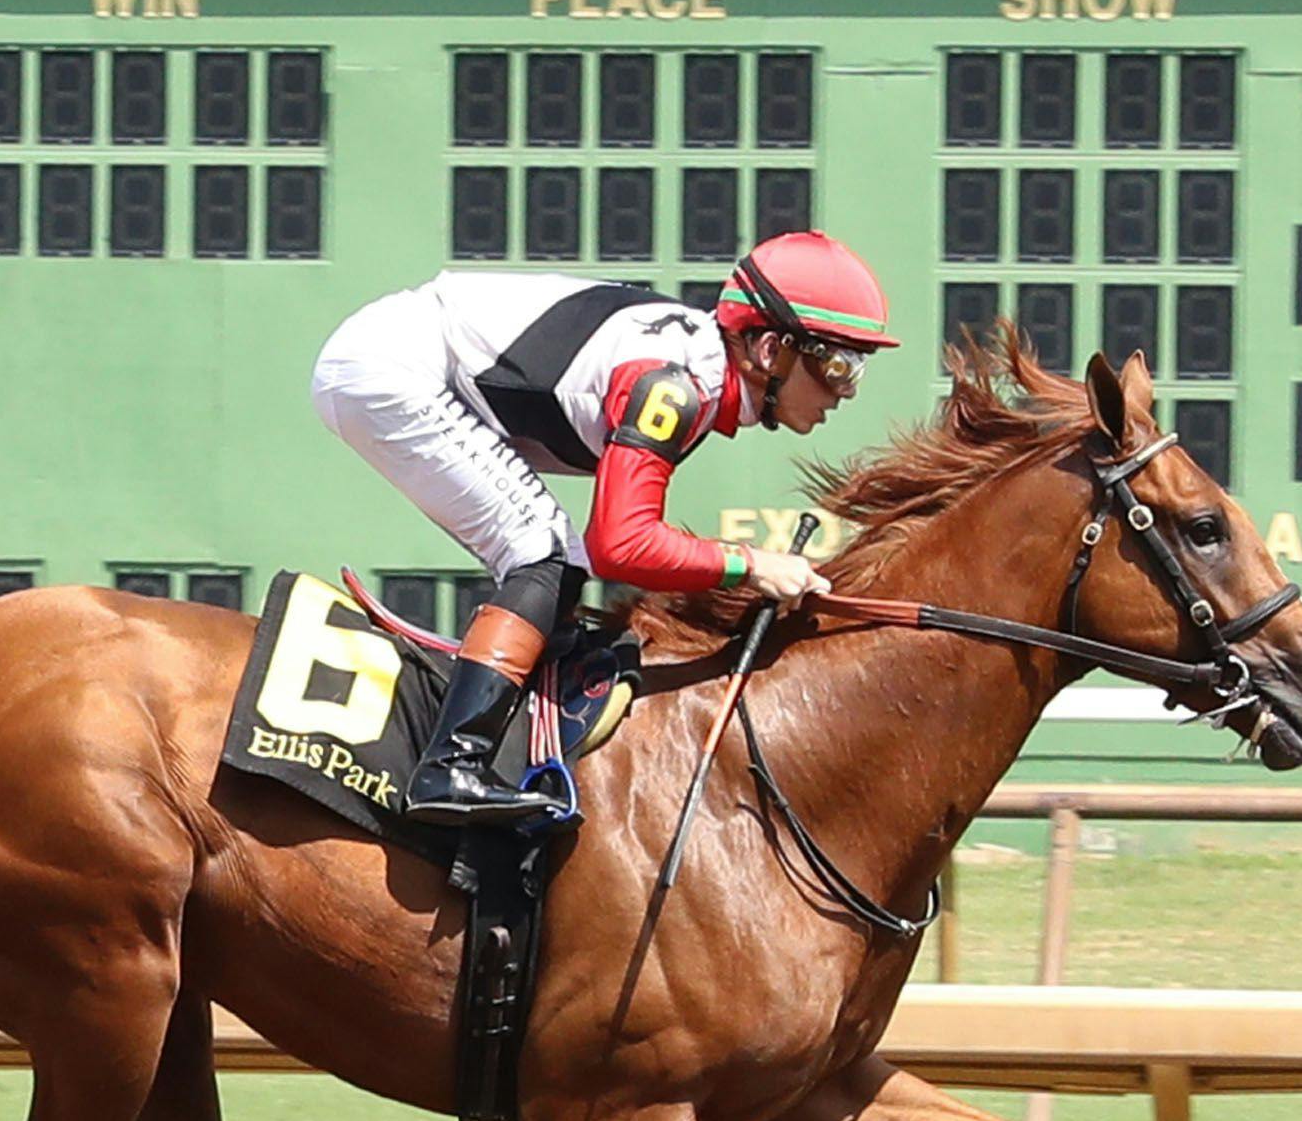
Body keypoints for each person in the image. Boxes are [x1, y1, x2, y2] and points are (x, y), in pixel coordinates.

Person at [309, 232, 894, 826]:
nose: (846, 391)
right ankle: (452, 766)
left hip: (394, 359)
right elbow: (620, 543)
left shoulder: (694, 372)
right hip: (395, 367)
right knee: (544, 550)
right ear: (769, 350)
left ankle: (503, 742)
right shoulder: (674, 386)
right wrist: (752, 564)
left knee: (555, 559)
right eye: (837, 364)